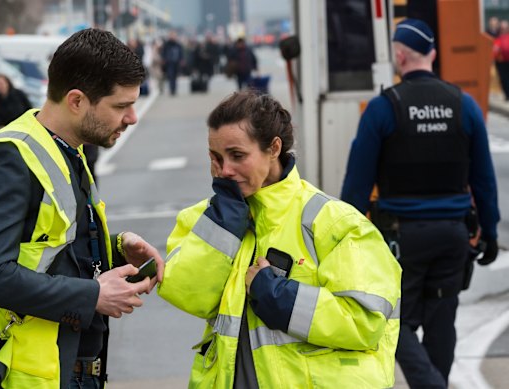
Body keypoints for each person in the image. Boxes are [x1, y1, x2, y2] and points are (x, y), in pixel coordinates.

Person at [0, 28, 165, 389]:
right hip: (33, 376)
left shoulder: (68, 149)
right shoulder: (10, 158)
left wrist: (114, 247)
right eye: (120, 106)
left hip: (70, 368)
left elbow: (49, 248)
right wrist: (93, 295)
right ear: (76, 101)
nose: (131, 117)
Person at [158, 90, 401, 388]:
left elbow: (366, 322)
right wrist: (224, 223)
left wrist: (279, 296)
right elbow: (187, 294)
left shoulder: (333, 222)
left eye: (237, 156)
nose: (225, 170)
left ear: (274, 148)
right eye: (216, 157)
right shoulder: (207, 219)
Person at [341, 19, 500, 389]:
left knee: (395, 322)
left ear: (399, 56)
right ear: (432, 54)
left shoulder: (383, 109)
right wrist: (489, 232)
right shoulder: (464, 105)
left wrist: (345, 243)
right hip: (453, 237)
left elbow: (356, 187)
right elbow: (484, 180)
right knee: (443, 321)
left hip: (400, 239)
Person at [161, 31, 184, 96]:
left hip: (176, 62)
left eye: (174, 36)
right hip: (169, 63)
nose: (173, 37)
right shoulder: (166, 44)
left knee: (175, 77)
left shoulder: (178, 44)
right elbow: (163, 53)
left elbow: (181, 53)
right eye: (171, 36)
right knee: (170, 76)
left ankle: (174, 89)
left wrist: (182, 60)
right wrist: (164, 59)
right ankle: (171, 89)